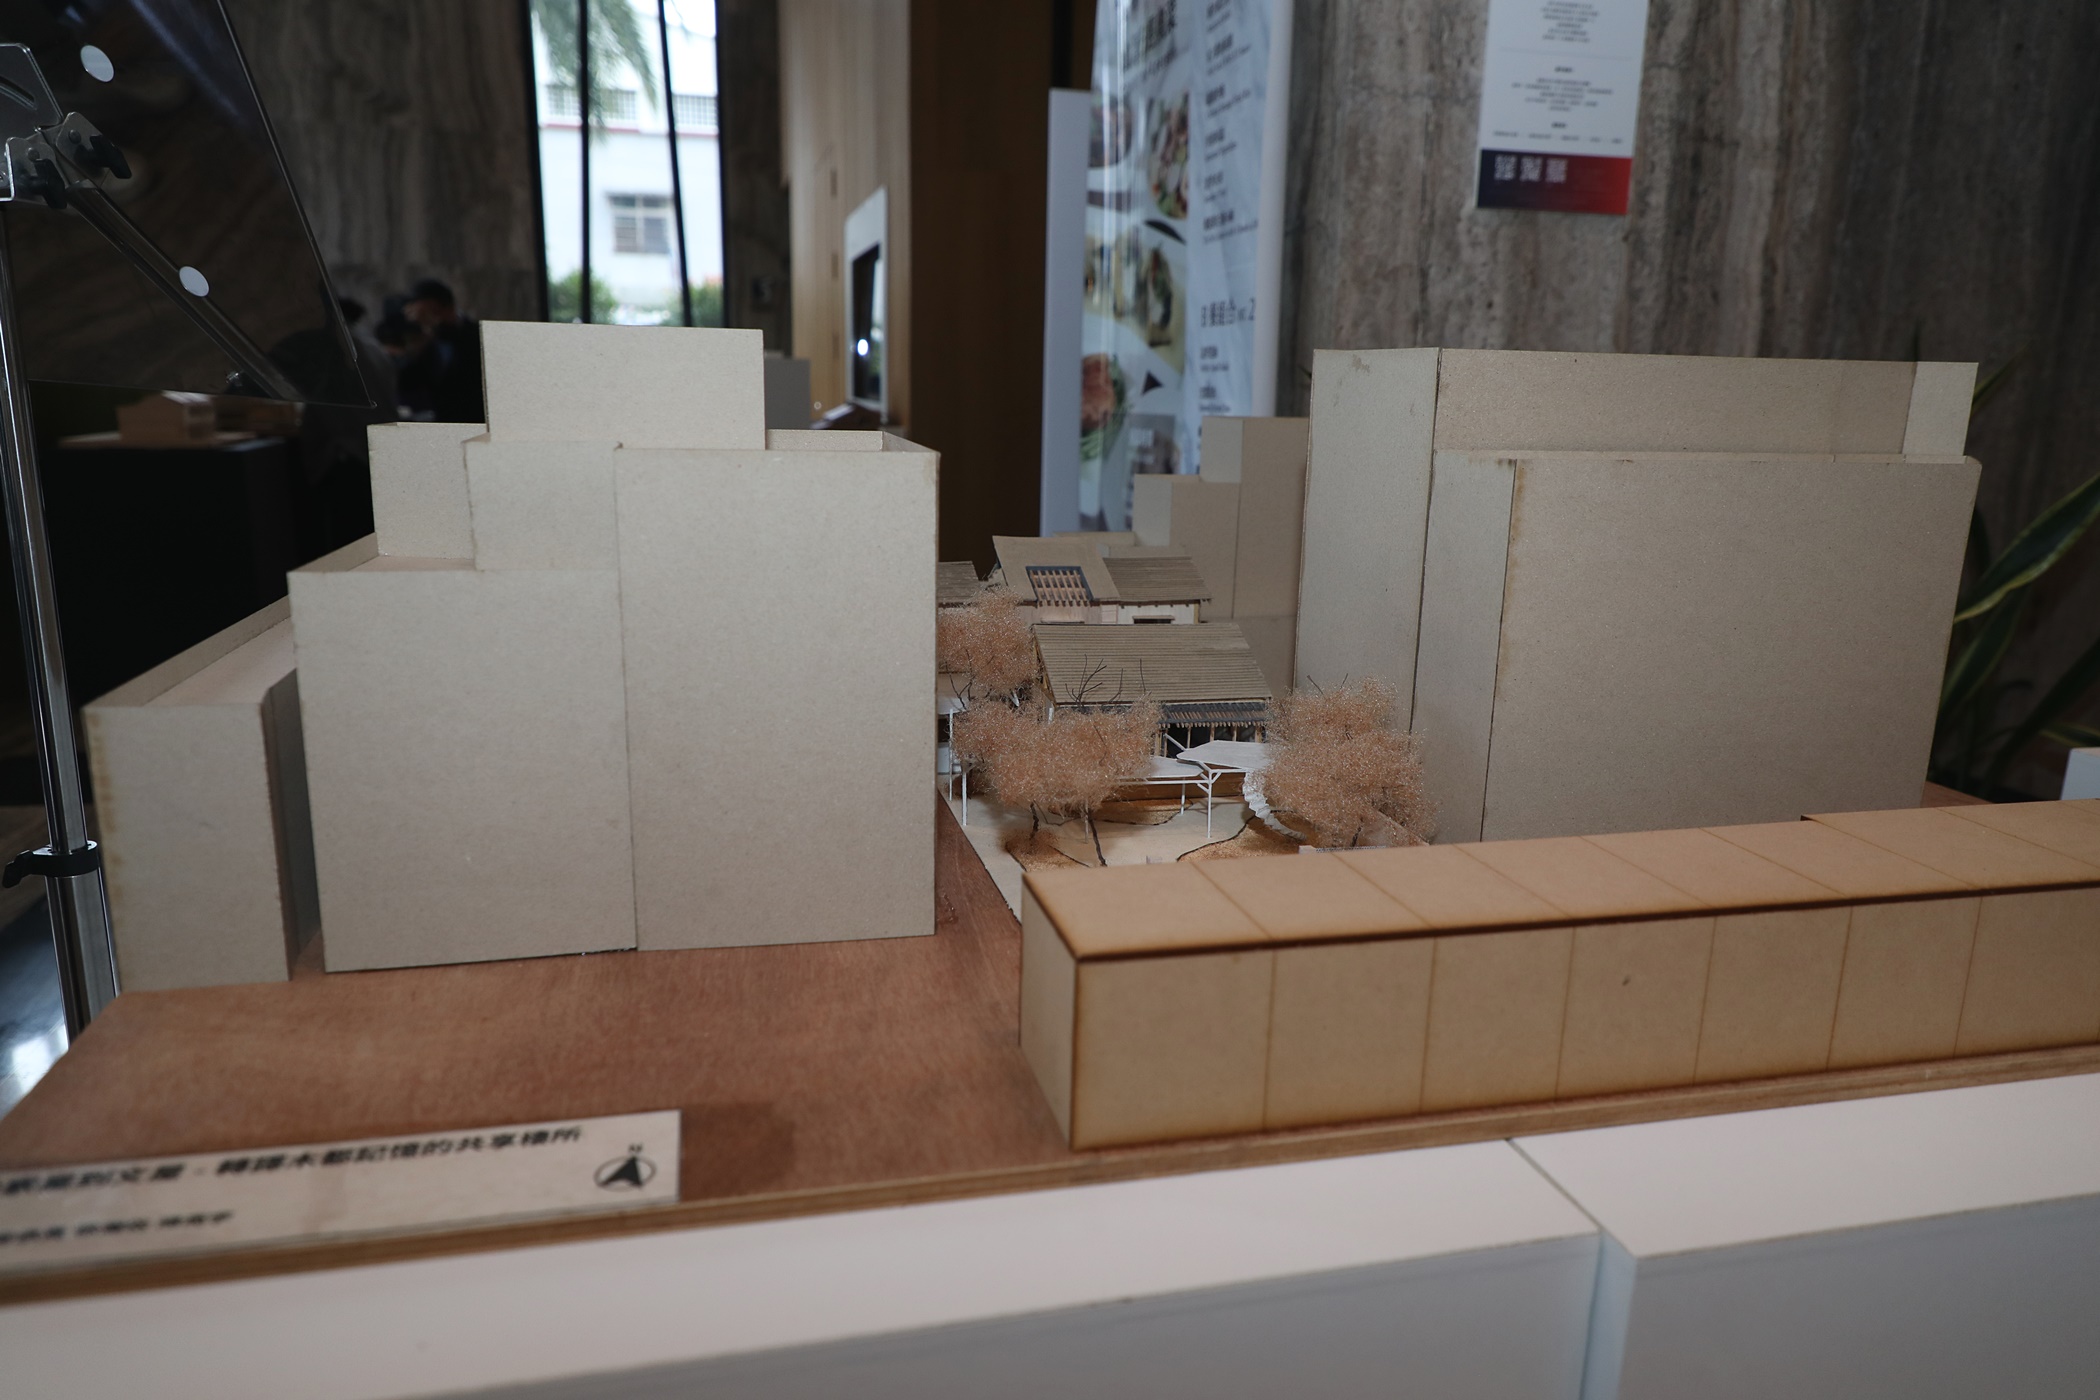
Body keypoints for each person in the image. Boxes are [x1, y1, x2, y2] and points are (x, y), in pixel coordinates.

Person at [401, 278, 485, 423]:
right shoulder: (427, 339)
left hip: (474, 420)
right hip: (441, 421)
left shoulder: (477, 335)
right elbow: (407, 381)